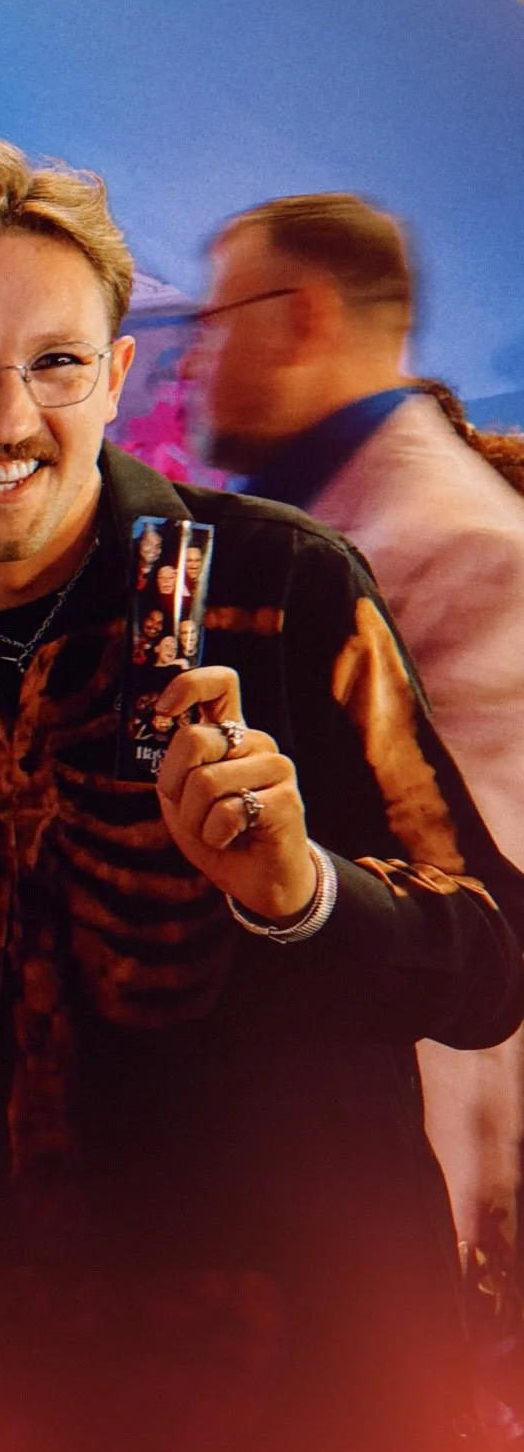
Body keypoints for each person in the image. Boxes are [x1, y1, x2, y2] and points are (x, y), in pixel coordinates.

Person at [0, 138, 524, 1452]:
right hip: (3, 1382)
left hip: (291, 1380)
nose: (9, 418)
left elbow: (490, 956)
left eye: (56, 364)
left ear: (119, 378)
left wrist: (299, 890)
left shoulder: (281, 588)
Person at [191, 192, 524, 1264]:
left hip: (371, 1163)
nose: (191, 362)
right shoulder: (280, 531)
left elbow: (480, 926)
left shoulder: (456, 548)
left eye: (215, 321)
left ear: (304, 319)